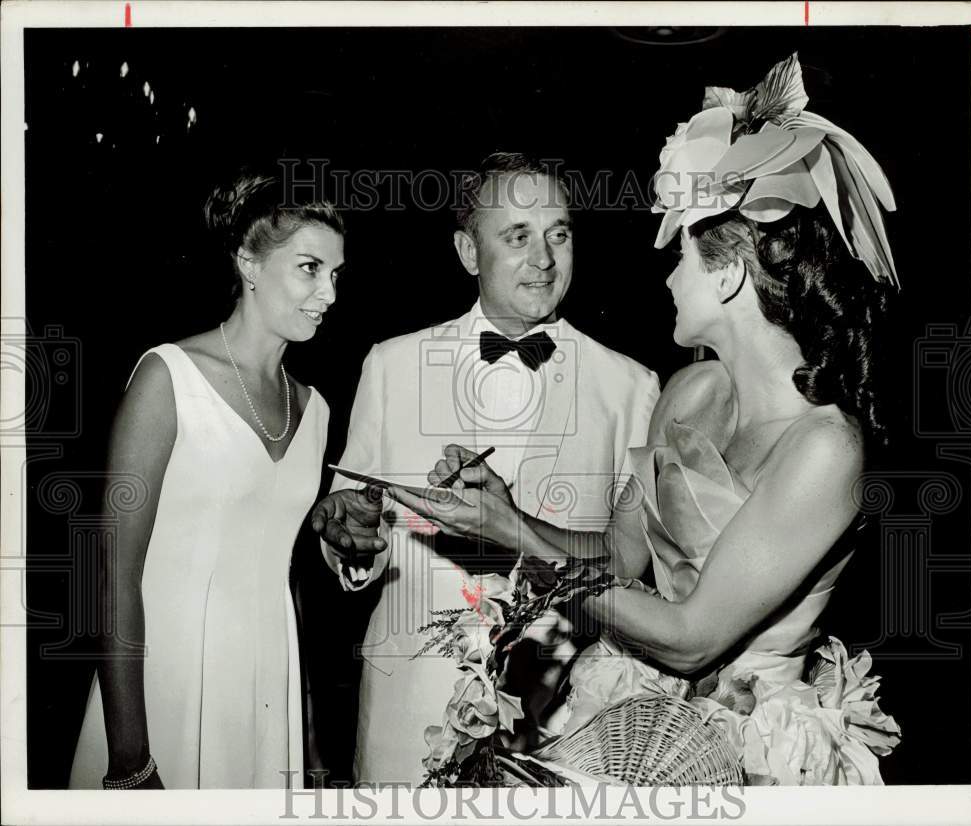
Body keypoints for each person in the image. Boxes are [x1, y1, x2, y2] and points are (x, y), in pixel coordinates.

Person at [390, 55, 902, 785]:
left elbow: (692, 638)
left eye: (682, 257)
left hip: (749, 747)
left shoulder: (824, 448)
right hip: (636, 714)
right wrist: (506, 511)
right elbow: (618, 562)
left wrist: (516, 538)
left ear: (727, 273)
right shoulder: (689, 391)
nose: (665, 277)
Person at [310, 152, 661, 784]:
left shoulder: (632, 388)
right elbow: (354, 523)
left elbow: (630, 569)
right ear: (469, 252)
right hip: (406, 712)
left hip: (561, 726)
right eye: (518, 236)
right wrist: (350, 536)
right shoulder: (391, 365)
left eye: (559, 234)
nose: (545, 259)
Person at [69, 169, 344, 789]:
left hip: (267, 683)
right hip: (164, 684)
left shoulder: (318, 410)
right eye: (309, 268)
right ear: (249, 262)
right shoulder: (168, 377)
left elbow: (287, 575)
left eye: (336, 274)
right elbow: (112, 576)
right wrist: (130, 758)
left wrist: (311, 741)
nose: (329, 293)